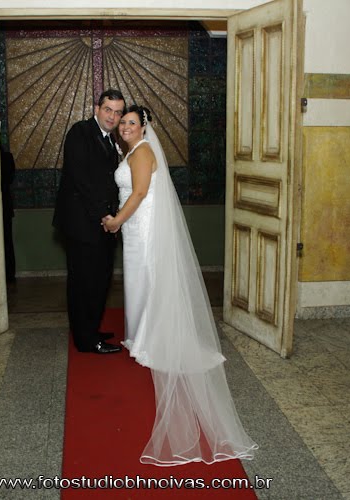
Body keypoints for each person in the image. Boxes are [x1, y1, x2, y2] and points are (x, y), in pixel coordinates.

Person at [103, 106, 258, 466]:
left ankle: (151, 337)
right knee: (141, 281)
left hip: (142, 227)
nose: (125, 127)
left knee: (148, 279)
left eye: (131, 122)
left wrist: (115, 222)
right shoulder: (132, 150)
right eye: (123, 122)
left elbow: (140, 193)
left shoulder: (143, 152)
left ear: (144, 128)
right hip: (136, 228)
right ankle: (141, 333)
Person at [52, 89, 126, 354]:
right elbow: (81, 180)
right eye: (108, 110)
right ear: (97, 109)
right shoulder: (80, 132)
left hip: (101, 225)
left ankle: (91, 329)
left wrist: (114, 218)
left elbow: (107, 183)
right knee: (84, 283)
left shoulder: (109, 139)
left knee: (99, 280)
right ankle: (86, 340)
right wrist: (105, 216)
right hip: (82, 225)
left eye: (118, 112)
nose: (112, 116)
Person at [0, 146, 16, 285]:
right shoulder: (7, 158)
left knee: (6, 242)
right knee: (7, 241)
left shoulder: (5, 158)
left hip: (3, 206)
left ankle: (8, 275)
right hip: (4, 205)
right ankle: (9, 275)